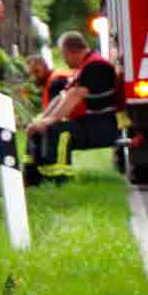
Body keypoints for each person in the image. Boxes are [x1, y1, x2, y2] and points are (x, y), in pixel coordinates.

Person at [24, 32, 123, 184]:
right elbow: (62, 97)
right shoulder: (83, 67)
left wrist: (50, 121)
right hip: (90, 123)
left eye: (63, 54)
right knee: (40, 127)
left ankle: (59, 179)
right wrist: (42, 120)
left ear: (70, 51)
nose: (64, 59)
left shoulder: (96, 66)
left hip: (103, 126)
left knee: (60, 131)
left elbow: (75, 96)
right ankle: (33, 177)